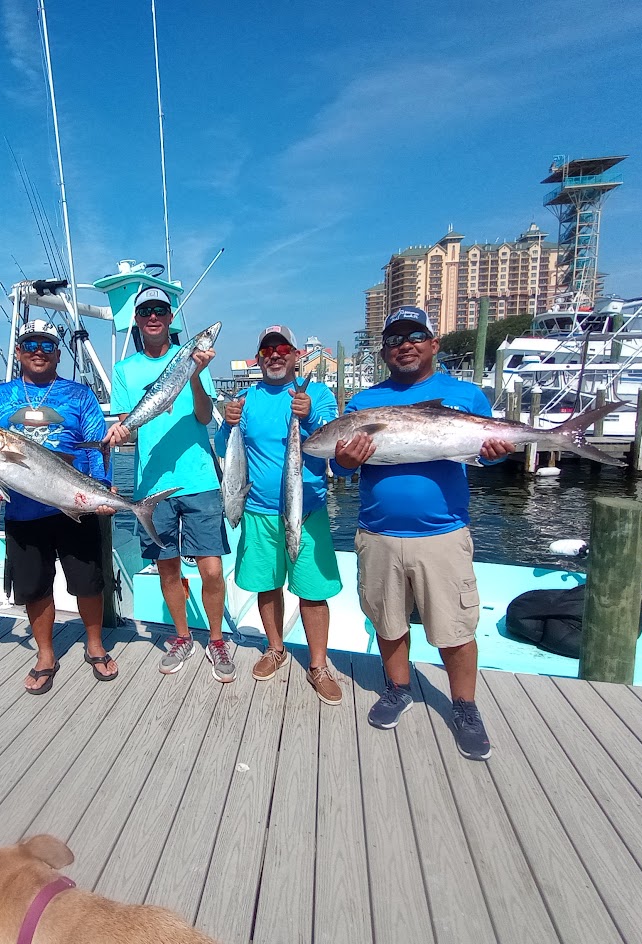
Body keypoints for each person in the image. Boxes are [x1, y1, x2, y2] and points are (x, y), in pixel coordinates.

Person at [333, 306, 515, 760]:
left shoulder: (466, 395)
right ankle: (398, 688)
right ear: (383, 352)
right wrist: (345, 462)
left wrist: (494, 454)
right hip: (376, 533)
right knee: (388, 622)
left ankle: (465, 706)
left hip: (443, 534)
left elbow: (487, 454)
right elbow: (338, 463)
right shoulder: (364, 403)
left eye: (415, 335)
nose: (404, 345)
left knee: (454, 628)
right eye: (394, 339)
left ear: (434, 343)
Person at [0, 319, 119, 694]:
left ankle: (95, 645)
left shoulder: (80, 395)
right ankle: (45, 654)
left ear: (58, 352)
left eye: (47, 345)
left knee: (88, 584)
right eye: (31, 344)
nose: (39, 351)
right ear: (19, 351)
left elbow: (94, 445)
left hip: (74, 506)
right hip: (22, 511)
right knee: (34, 588)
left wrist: (101, 489)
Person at [103, 287, 234, 683]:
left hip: (199, 480)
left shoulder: (195, 360)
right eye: (146, 311)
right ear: (138, 320)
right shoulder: (125, 370)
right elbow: (129, 427)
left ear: (170, 317)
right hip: (152, 486)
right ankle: (181, 637)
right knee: (167, 567)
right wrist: (117, 434)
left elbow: (204, 415)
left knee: (211, 569)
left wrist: (194, 375)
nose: (154, 316)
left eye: (160, 310)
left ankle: (215, 640)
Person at [216, 326, 344, 704]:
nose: (274, 354)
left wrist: (305, 419)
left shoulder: (316, 394)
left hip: (306, 511)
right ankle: (276, 649)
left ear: (295, 354)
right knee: (267, 585)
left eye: (282, 348)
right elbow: (226, 447)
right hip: (255, 512)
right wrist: (228, 420)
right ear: (259, 358)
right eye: (267, 349)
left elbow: (331, 441)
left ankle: (318, 664)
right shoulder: (245, 398)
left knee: (312, 591)